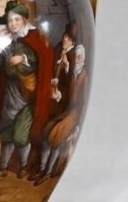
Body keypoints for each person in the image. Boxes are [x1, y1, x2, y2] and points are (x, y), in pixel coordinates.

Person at [0, 0, 53, 180]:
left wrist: (23, 58)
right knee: (6, 133)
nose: (13, 24)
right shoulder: (5, 39)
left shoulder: (35, 37)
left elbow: (40, 59)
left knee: (21, 136)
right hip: (9, 93)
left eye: (16, 20)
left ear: (24, 20)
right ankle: (3, 168)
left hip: (27, 94)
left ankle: (23, 165)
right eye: (9, 20)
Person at [31, 44, 89, 185]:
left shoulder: (84, 77)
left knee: (56, 136)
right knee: (46, 131)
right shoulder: (71, 74)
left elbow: (84, 103)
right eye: (75, 57)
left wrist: (79, 126)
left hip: (75, 114)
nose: (77, 60)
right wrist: (58, 96)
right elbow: (65, 95)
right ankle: (42, 169)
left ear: (83, 60)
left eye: (79, 57)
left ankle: (48, 172)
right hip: (66, 112)